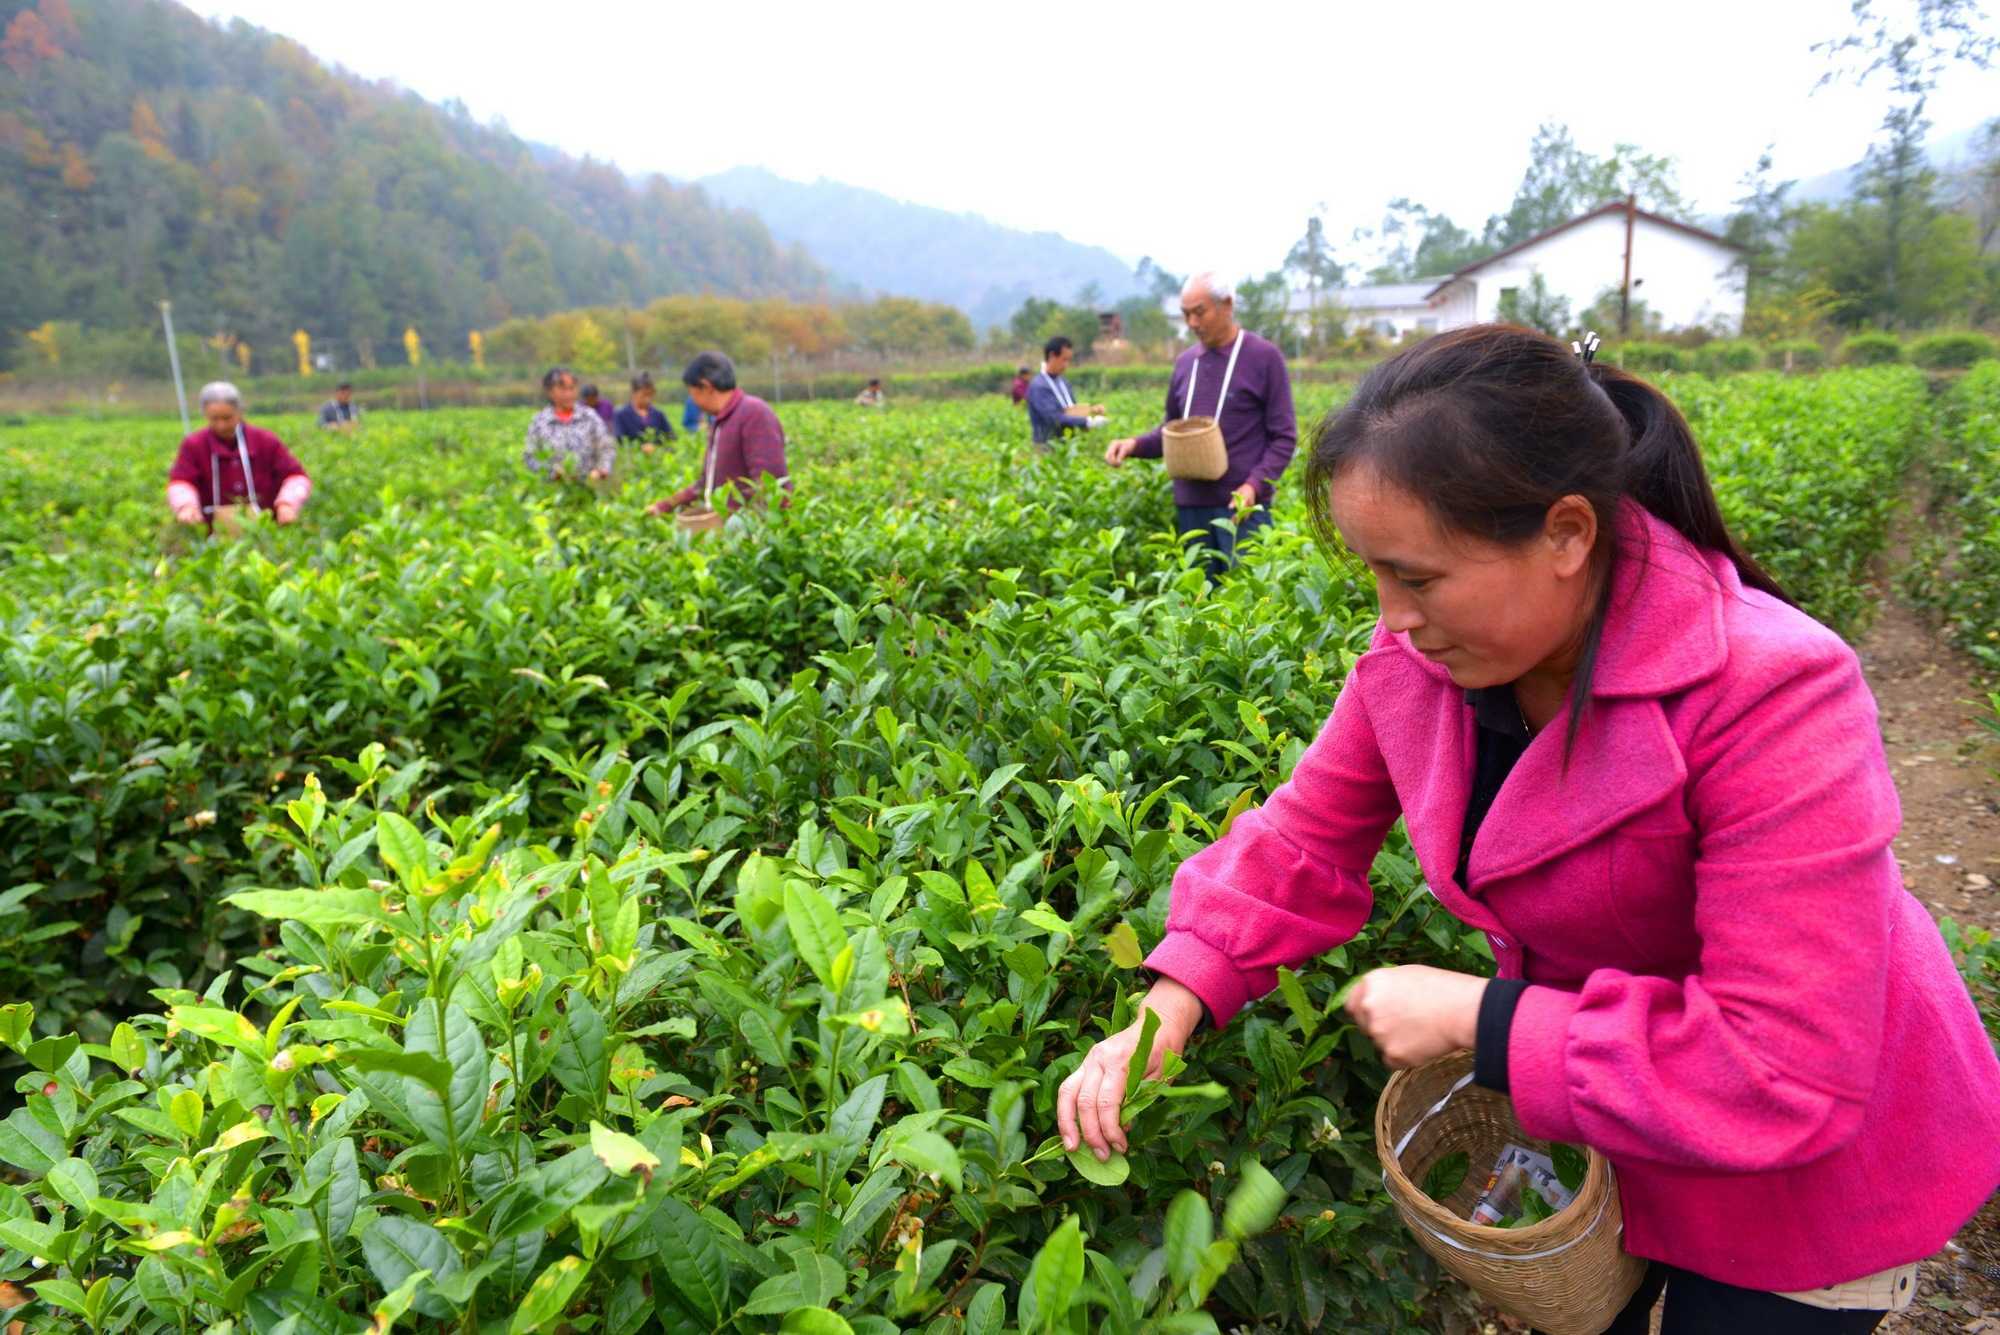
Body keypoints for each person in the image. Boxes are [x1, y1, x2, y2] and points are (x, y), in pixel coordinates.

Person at [1057, 325, 2000, 1333]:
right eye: (1376, 576)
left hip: (1806, 1172)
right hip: (1612, 1119)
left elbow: (1785, 1064)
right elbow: (1300, 840)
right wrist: (1168, 1007)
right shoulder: (1417, 662)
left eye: (1418, 579)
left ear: (1563, 534)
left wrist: (1484, 1022)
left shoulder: (1772, 690)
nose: (1393, 617)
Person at [1105, 272, 1295, 575]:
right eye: (1185, 314)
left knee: (1248, 603)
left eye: (1199, 312)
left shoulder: (1263, 357)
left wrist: (1253, 486)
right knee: (1198, 604)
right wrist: (1134, 445)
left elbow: (1284, 437)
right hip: (1191, 508)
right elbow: (1173, 432)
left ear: (1227, 304)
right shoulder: (1184, 363)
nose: (1192, 323)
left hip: (1241, 510)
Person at [647, 351, 790, 516]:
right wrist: (664, 506)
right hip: (726, 529)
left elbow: (769, 484)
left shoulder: (754, 413)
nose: (692, 400)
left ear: (706, 387)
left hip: (747, 533)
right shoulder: (721, 421)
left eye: (691, 393)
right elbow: (705, 483)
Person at [167, 381, 312, 529]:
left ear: (240, 412)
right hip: (212, 536)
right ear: (205, 414)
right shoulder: (194, 444)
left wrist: (287, 503)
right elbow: (181, 482)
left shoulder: (265, 440)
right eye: (214, 419)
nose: (221, 425)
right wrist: (186, 506)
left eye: (227, 418)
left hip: (266, 532)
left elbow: (296, 477)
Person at [522, 366, 616, 483]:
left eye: (572, 388)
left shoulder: (589, 416)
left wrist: (601, 470)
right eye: (563, 389)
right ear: (550, 392)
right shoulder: (540, 422)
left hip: (589, 488)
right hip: (553, 491)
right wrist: (552, 472)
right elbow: (530, 457)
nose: (569, 394)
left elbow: (607, 448)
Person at [1026, 336, 1104, 448]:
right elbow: (1054, 417)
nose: (1066, 365)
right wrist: (1087, 421)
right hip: (1046, 446)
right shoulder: (1039, 386)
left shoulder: (1063, 382)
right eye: (1064, 359)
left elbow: (1071, 410)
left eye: (1069, 360)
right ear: (1052, 356)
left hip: (1066, 445)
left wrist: (1092, 411)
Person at [614, 373, 676, 446]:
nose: (648, 399)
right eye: (644, 395)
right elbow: (619, 440)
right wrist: (640, 447)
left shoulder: (658, 414)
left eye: (651, 395)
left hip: (658, 455)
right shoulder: (621, 414)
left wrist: (656, 447)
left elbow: (671, 437)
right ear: (634, 393)